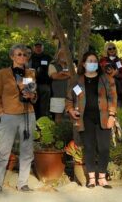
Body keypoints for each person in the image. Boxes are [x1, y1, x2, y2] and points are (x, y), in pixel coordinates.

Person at [0, 44, 38, 195]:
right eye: (19, 54)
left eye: (25, 55)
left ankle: (22, 183)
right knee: (4, 151)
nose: (22, 57)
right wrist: (1, 112)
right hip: (9, 116)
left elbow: (33, 96)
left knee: (27, 150)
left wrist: (32, 96)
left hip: (27, 114)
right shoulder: (3, 73)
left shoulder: (29, 73)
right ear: (12, 56)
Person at [67, 53, 117, 188]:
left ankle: (101, 177)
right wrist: (71, 110)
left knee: (104, 148)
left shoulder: (106, 79)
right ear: (83, 64)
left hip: (104, 118)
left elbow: (113, 98)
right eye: (90, 61)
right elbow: (69, 99)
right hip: (85, 119)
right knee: (89, 148)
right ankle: (91, 178)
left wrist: (112, 115)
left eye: (95, 61)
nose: (93, 63)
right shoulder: (77, 81)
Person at [48, 48, 74, 122]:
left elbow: (74, 76)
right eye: (62, 54)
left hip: (70, 96)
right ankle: (58, 132)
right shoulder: (52, 65)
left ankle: (69, 132)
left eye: (66, 54)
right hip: (57, 95)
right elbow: (54, 76)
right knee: (58, 117)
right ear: (58, 55)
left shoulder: (71, 65)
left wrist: (61, 73)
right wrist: (68, 75)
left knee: (71, 116)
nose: (64, 55)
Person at [30, 41, 52, 118]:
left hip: (44, 84)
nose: (38, 48)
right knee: (33, 104)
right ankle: (34, 123)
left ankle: (42, 124)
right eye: (36, 47)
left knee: (44, 106)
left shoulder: (48, 57)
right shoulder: (30, 57)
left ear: (43, 48)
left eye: (40, 47)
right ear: (34, 48)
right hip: (32, 84)